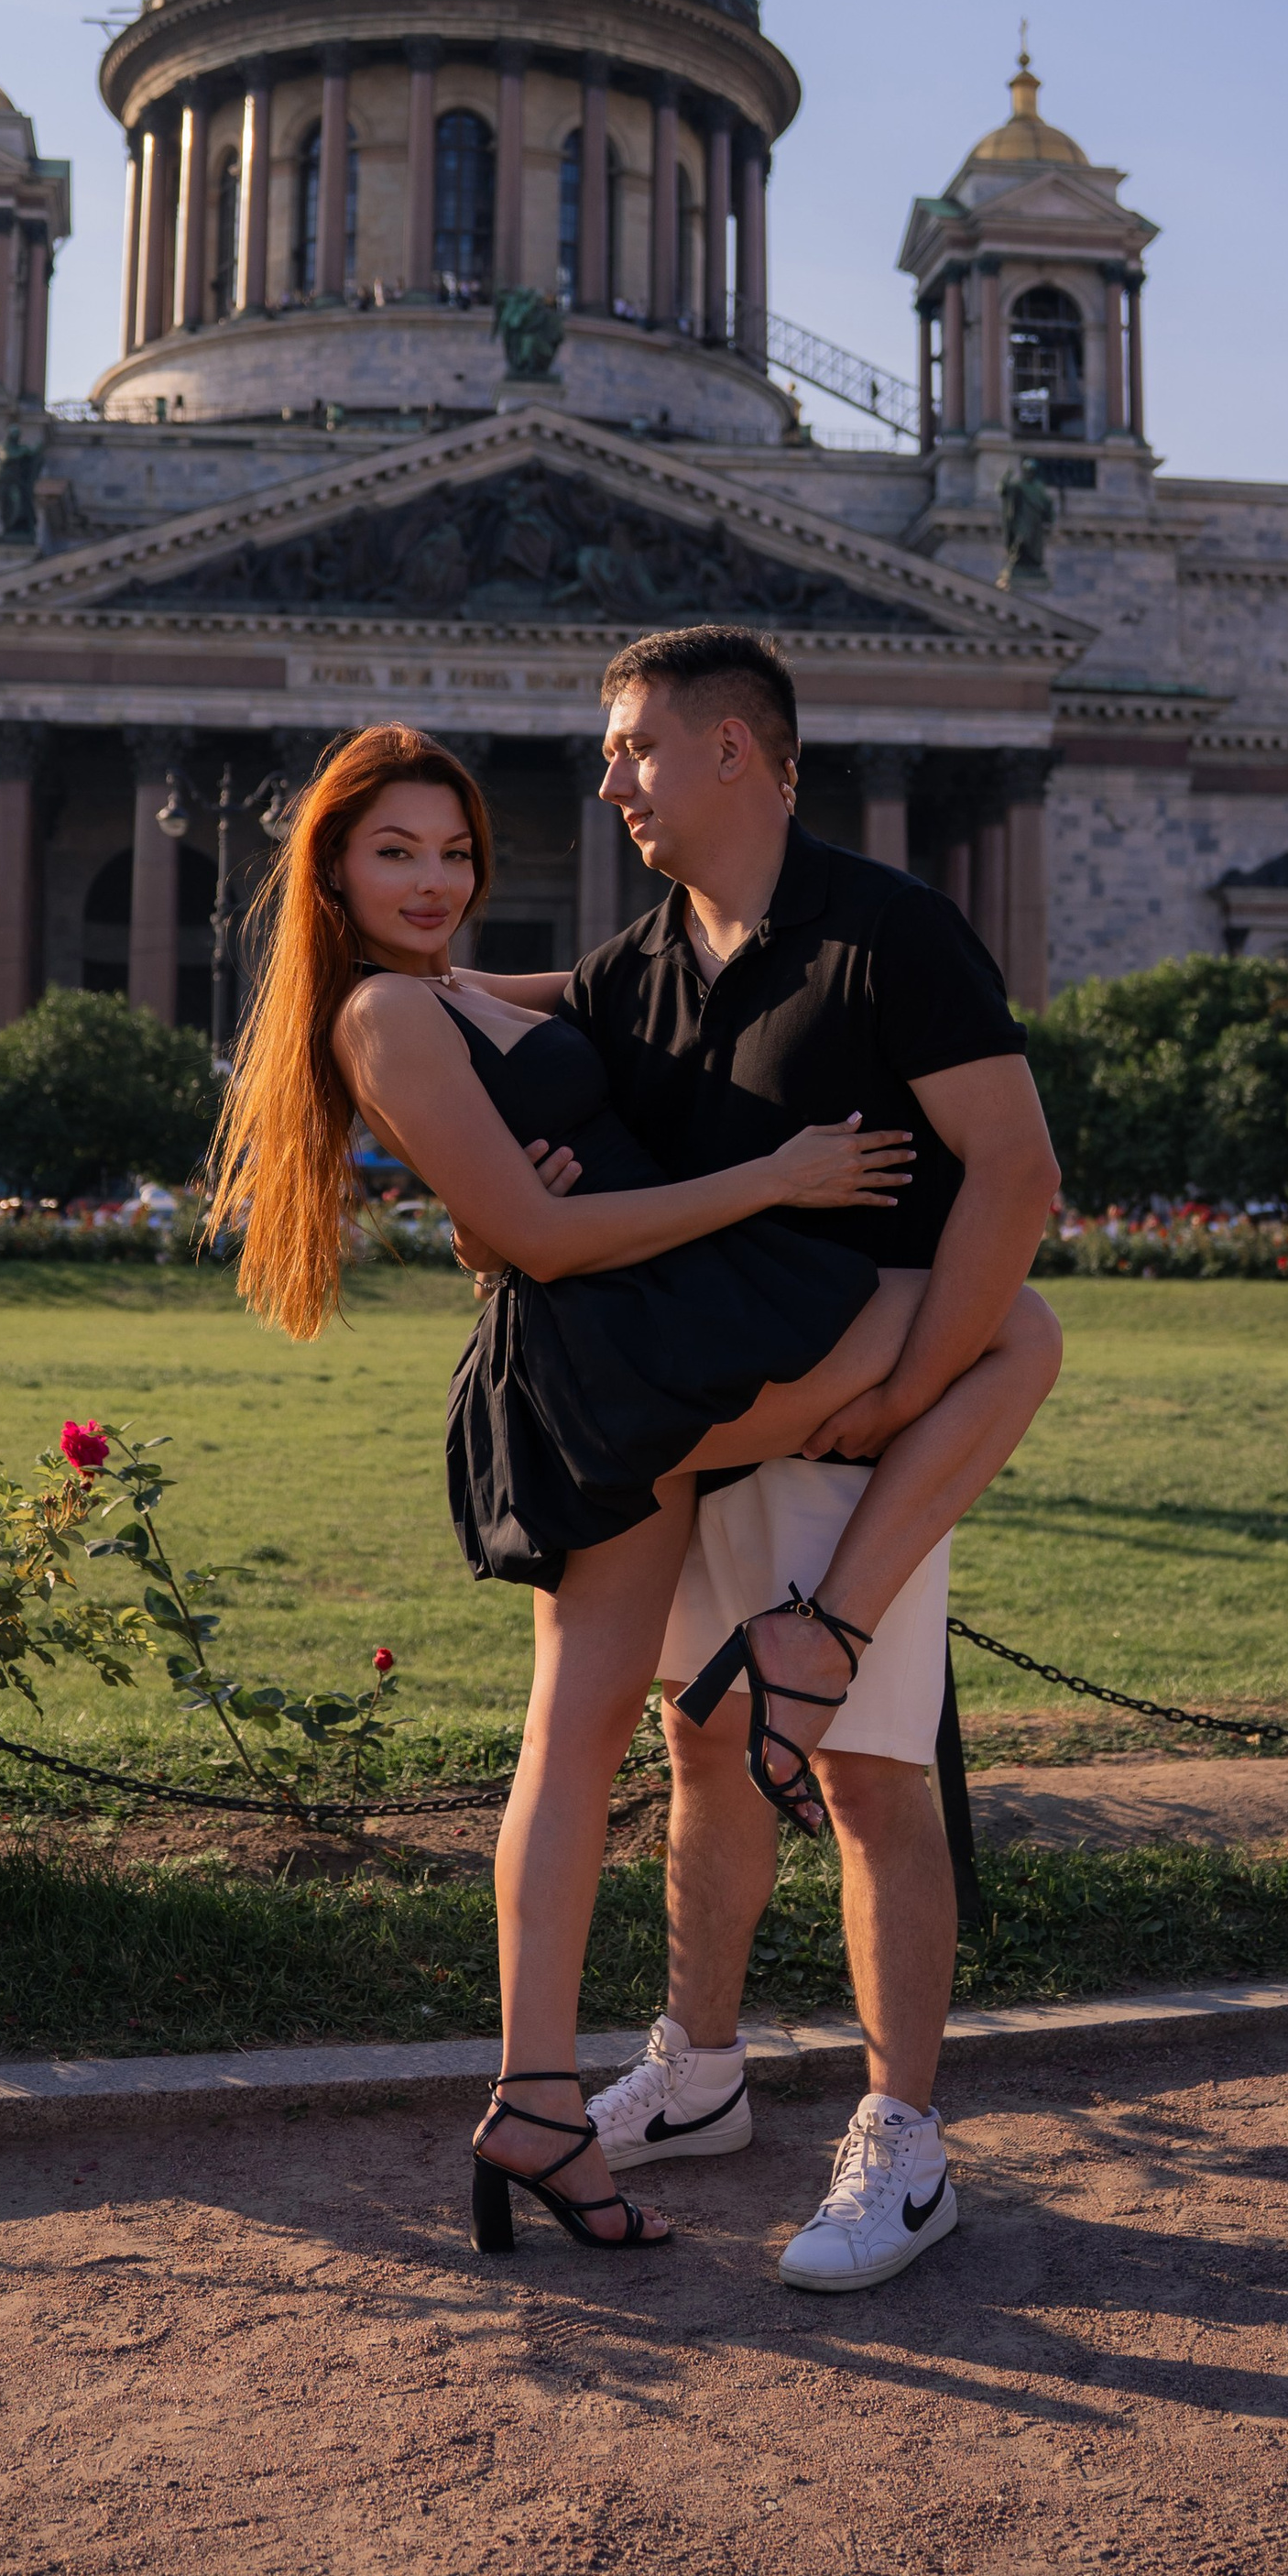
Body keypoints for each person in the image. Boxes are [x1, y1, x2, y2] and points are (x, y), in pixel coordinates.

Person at [210, 721, 940, 2262]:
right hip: (609, 1357)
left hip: (631, 1350)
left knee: (581, 1734)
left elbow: (645, 1003)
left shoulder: (460, 988)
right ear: (332, 864)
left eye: (454, 849)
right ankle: (825, 1640)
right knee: (1006, 1327)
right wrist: (783, 1175)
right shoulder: (379, 1015)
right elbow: (531, 1241)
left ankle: (540, 2106)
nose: (434, 878)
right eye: (394, 850)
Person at [465, 628, 1062, 2293]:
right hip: (698, 1426)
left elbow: (1015, 1178)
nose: (612, 780)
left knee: (869, 1782)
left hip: (855, 1411)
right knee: (700, 1751)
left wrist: (901, 1395)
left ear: (739, 751)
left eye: (638, 748)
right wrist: (373, 959)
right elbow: (502, 1007)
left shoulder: (891, 933)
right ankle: (704, 2069)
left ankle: (905, 2143)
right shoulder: (639, 965)